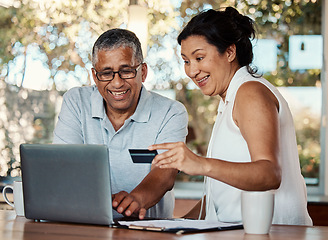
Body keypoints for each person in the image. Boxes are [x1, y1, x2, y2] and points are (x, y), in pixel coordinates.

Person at [149, 7, 312, 225]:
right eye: (186, 61)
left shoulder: (250, 92)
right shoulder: (231, 99)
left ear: (229, 52)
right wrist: (176, 225)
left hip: (275, 233)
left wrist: (200, 163)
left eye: (199, 57)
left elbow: (269, 174)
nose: (191, 71)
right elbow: (224, 194)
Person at [53, 28, 188, 219]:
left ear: (143, 71)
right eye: (106, 73)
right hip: (86, 226)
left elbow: (165, 174)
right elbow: (64, 166)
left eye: (126, 71)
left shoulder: (171, 112)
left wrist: (137, 199)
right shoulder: (76, 102)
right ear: (94, 76)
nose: (117, 83)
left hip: (147, 231)